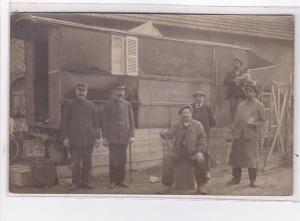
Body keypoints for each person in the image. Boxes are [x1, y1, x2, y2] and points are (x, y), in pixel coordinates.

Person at [159, 105, 208, 194]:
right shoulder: (177, 125)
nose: (186, 115)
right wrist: (163, 133)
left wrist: (200, 151)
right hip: (178, 152)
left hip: (193, 152)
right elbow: (169, 134)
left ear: (191, 114)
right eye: (183, 113)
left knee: (201, 161)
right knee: (167, 160)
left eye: (187, 113)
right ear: (181, 115)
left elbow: (202, 139)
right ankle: (167, 185)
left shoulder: (197, 125)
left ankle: (201, 185)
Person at [62, 83, 101, 190]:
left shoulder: (92, 105)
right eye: (79, 90)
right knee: (75, 162)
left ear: (86, 92)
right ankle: (75, 182)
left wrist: (97, 137)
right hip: (75, 140)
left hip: (88, 140)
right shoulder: (70, 105)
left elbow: (96, 123)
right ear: (75, 91)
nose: (81, 92)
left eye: (83, 90)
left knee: (87, 162)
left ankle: (86, 181)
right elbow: (65, 123)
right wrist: (65, 137)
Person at [227, 81, 265, 187]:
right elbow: (236, 120)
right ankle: (236, 178)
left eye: (251, 91)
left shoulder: (259, 105)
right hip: (239, 135)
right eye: (247, 91)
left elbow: (263, 121)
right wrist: (232, 129)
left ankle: (252, 181)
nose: (248, 93)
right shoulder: (240, 105)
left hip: (251, 136)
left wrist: (254, 123)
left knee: (251, 160)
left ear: (255, 93)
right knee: (236, 158)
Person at [102, 82, 135, 189]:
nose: (120, 92)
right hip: (113, 138)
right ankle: (113, 181)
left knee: (122, 160)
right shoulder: (108, 104)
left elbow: (131, 121)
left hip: (124, 137)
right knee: (113, 160)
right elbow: (104, 122)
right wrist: (105, 137)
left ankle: (121, 180)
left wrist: (131, 135)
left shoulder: (127, 105)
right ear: (114, 91)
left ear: (124, 92)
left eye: (122, 90)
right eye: (118, 90)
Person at [191, 91, 216, 179]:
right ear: (195, 98)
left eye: (200, 97)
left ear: (203, 98)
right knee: (194, 151)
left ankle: (207, 172)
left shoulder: (207, 108)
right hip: (193, 134)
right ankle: (194, 172)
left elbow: (213, 122)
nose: (199, 99)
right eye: (197, 97)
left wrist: (206, 127)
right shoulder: (191, 107)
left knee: (205, 152)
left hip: (205, 135)